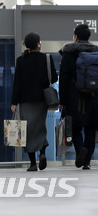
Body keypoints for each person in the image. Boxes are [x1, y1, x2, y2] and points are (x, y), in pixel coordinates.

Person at [10, 32, 57, 172]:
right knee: (40, 127)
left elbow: (17, 83)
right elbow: (53, 78)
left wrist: (14, 102)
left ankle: (32, 164)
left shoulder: (21, 60)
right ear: (38, 44)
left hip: (25, 101)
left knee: (27, 131)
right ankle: (42, 153)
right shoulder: (46, 59)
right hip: (42, 100)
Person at [59, 24, 98, 170]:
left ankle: (80, 149)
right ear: (89, 36)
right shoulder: (96, 52)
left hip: (74, 97)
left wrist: (62, 101)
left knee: (75, 128)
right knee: (91, 128)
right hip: (93, 97)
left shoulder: (68, 53)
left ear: (75, 37)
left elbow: (63, 79)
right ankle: (87, 161)